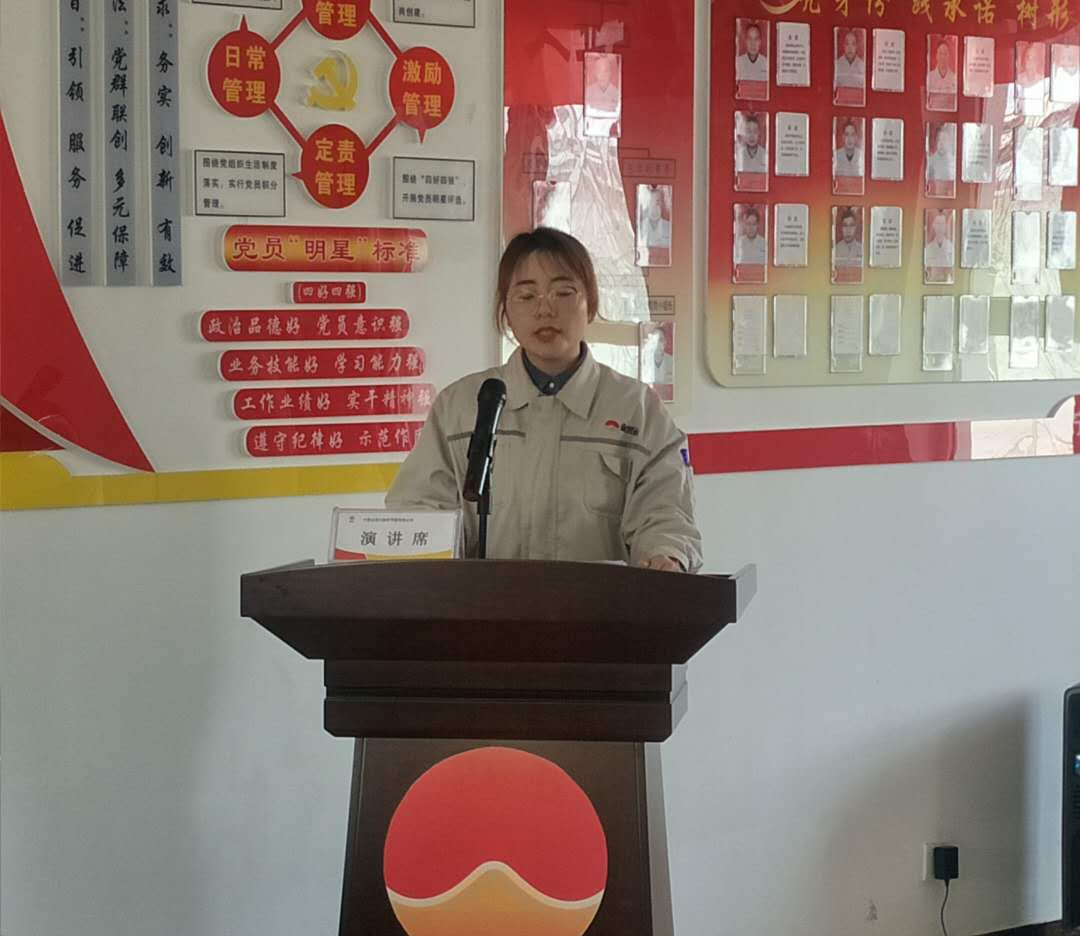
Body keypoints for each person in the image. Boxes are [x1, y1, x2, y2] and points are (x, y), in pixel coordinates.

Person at [386, 227, 702, 571]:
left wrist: (665, 555)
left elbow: (665, 513)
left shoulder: (637, 410)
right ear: (505, 311)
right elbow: (419, 510)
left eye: (563, 292)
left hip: (600, 605)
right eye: (527, 295)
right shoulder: (460, 407)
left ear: (590, 304)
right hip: (485, 605)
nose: (545, 309)